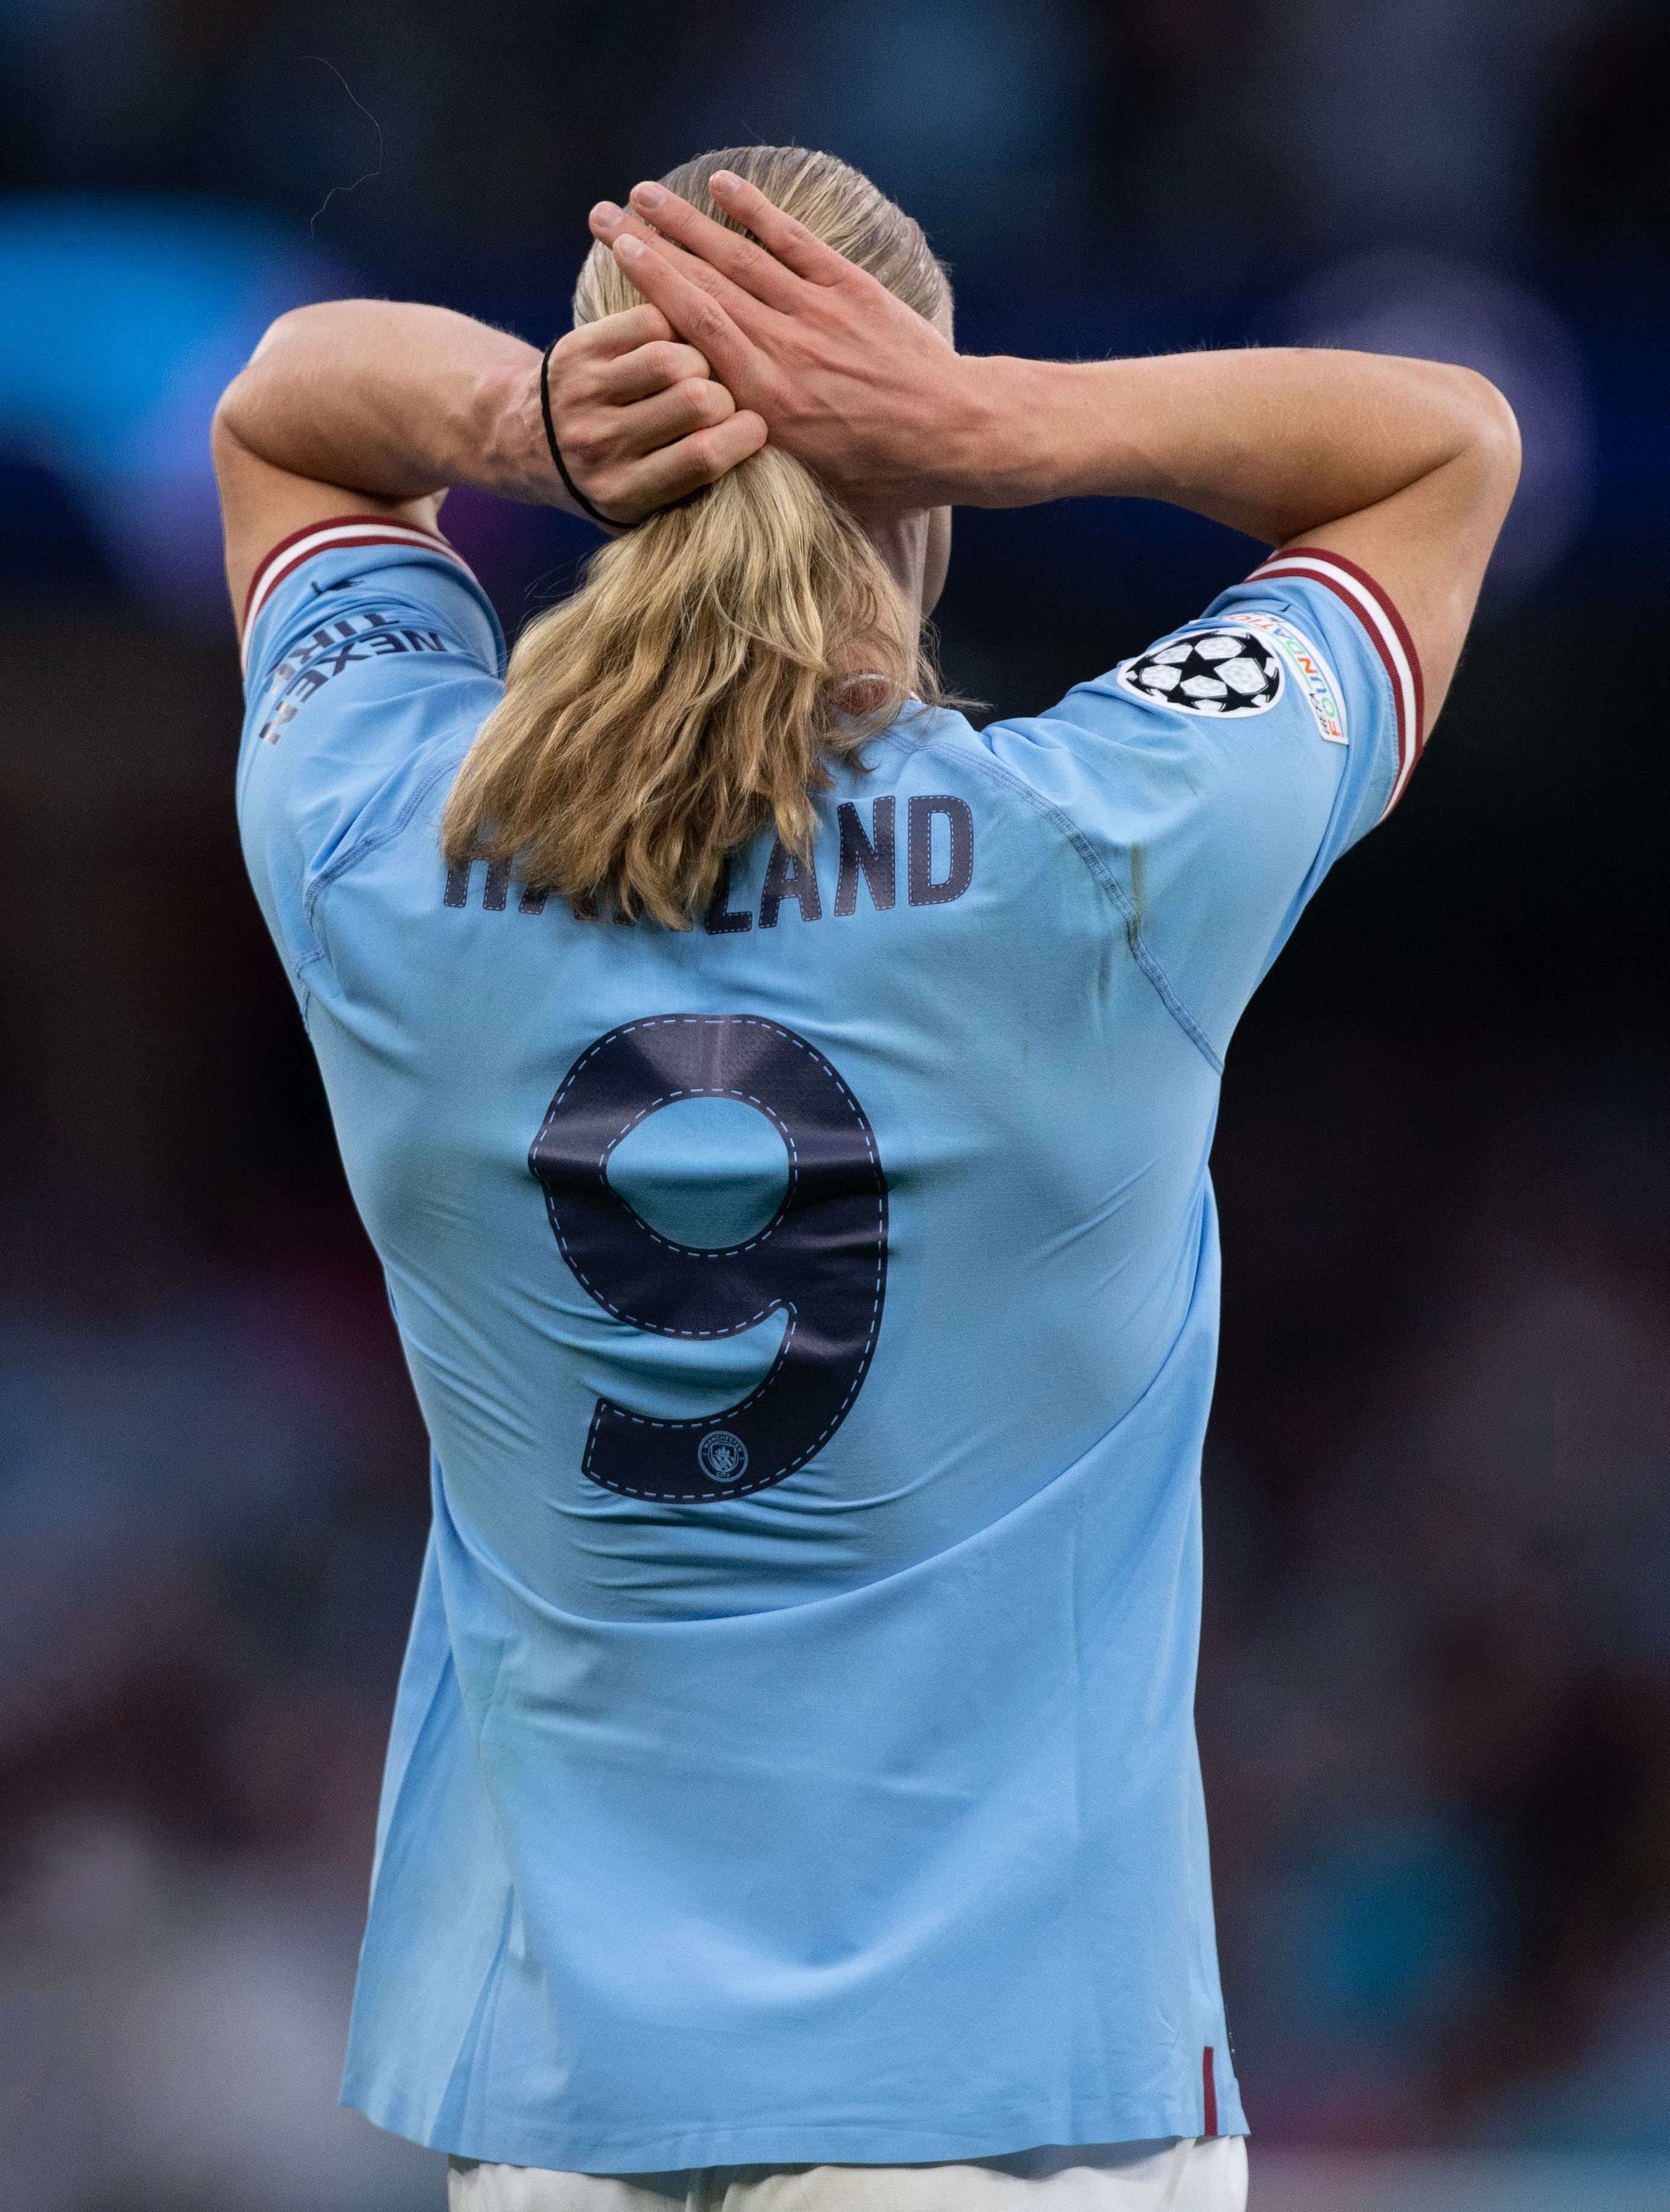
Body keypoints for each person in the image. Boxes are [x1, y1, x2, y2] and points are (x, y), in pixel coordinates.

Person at [214, 145, 1518, 2212]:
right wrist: (1017, 422)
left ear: (603, 451)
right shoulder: (1098, 855)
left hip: (561, 2109)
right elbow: (1446, 445)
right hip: (1017, 2106)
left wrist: (511, 428)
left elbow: (282, 415)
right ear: (911, 483)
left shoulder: (382, 848)